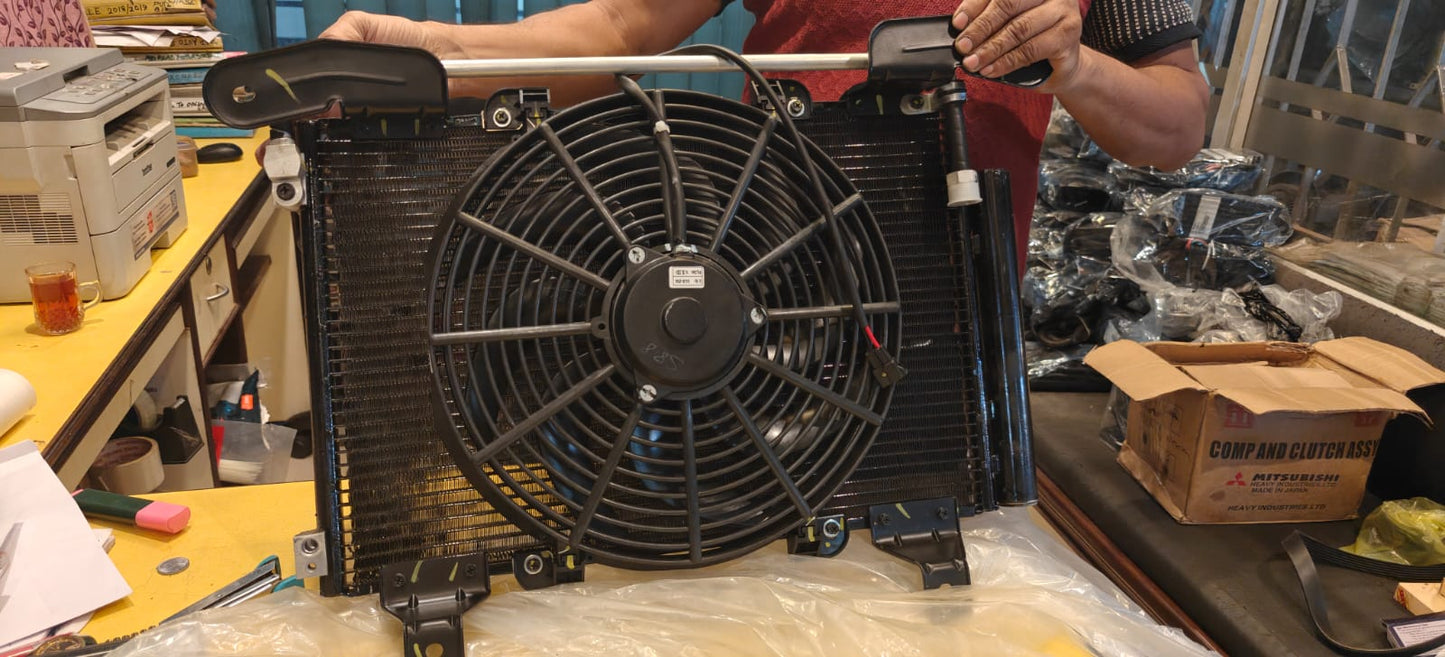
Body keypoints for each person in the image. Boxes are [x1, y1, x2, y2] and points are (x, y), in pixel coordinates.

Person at [318, 0, 1209, 256]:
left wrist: (1076, 65)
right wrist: (425, 47)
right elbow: (623, 29)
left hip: (954, 303)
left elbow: (1176, 128)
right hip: (765, 277)